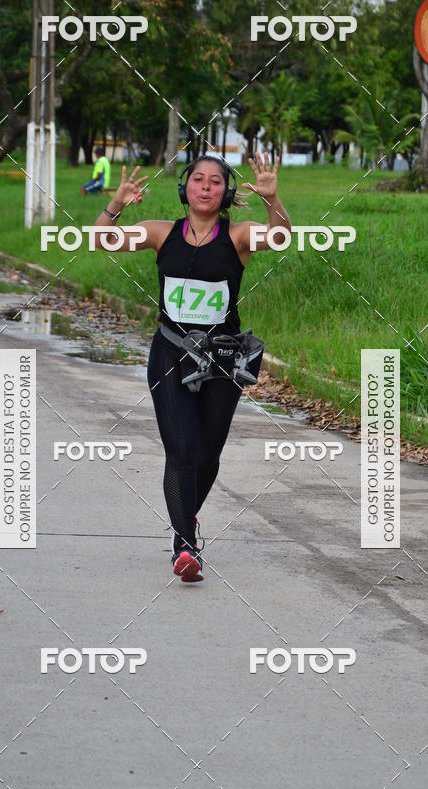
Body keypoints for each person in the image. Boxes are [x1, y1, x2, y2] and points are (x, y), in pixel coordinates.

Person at [91, 152, 290, 582]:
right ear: (185, 188)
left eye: (215, 182)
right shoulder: (162, 233)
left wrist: (274, 202)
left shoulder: (237, 237)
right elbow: (101, 240)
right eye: (197, 179)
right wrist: (117, 204)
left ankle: (186, 519)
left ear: (226, 193)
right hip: (170, 352)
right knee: (180, 448)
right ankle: (186, 544)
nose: (205, 187)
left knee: (208, 455)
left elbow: (280, 240)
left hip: (222, 358)